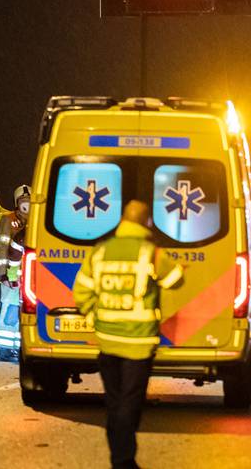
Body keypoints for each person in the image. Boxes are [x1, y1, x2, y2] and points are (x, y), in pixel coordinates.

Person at [73, 200, 184, 469]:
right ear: (146, 223)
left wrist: (93, 317)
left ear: (122, 220)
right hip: (138, 344)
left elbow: (81, 292)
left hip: (107, 342)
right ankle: (124, 460)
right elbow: (176, 279)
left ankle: (120, 458)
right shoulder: (151, 253)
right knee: (130, 403)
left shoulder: (99, 252)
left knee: (114, 402)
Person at [0, 185, 30, 361]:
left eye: (29, 200)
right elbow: (1, 247)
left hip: (29, 276)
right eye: (23, 200)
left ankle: (18, 348)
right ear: (17, 203)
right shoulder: (8, 220)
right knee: (11, 310)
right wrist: (3, 275)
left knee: (24, 313)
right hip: (12, 274)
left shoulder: (35, 220)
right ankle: (5, 349)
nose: (26, 204)